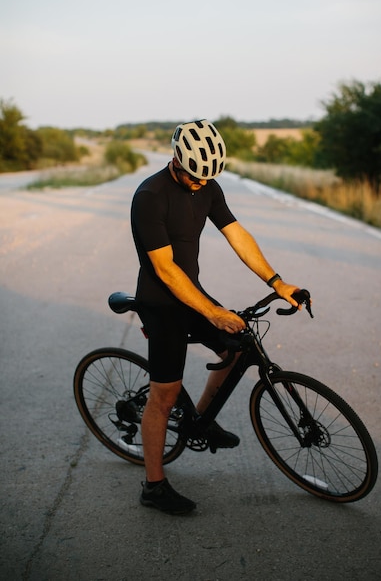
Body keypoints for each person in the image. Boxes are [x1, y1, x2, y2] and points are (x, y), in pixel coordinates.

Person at [131, 119, 302, 515]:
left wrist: (278, 283)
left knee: (239, 346)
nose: (199, 183)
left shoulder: (208, 186)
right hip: (161, 301)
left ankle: (201, 420)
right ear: (176, 158)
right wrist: (213, 312)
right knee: (165, 394)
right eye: (194, 175)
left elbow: (236, 233)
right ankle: (153, 487)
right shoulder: (150, 196)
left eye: (207, 177)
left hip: (192, 294)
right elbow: (166, 270)